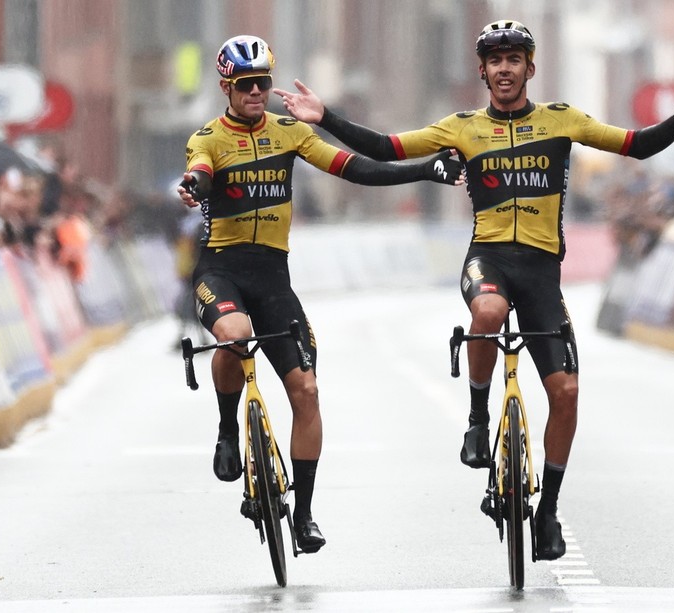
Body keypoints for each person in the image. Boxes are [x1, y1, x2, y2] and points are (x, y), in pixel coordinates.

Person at [274, 19, 674, 560]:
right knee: (487, 311)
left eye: (514, 59)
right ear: (482, 71)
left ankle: (548, 511)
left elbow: (636, 145)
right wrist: (327, 119)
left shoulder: (562, 120)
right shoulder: (462, 127)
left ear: (530, 68)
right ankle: (479, 419)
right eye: (495, 60)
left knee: (568, 393)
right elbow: (388, 148)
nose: (505, 69)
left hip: (541, 275)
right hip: (487, 260)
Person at [177, 35, 462, 554]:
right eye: (246, 85)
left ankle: (303, 514)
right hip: (221, 271)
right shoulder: (209, 137)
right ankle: (225, 429)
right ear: (226, 88)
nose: (258, 92)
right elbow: (199, 168)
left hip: (273, 279)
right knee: (234, 335)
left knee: (305, 392)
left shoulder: (289, 132)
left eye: (264, 81)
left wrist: (424, 169)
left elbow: (353, 169)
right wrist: (196, 185)